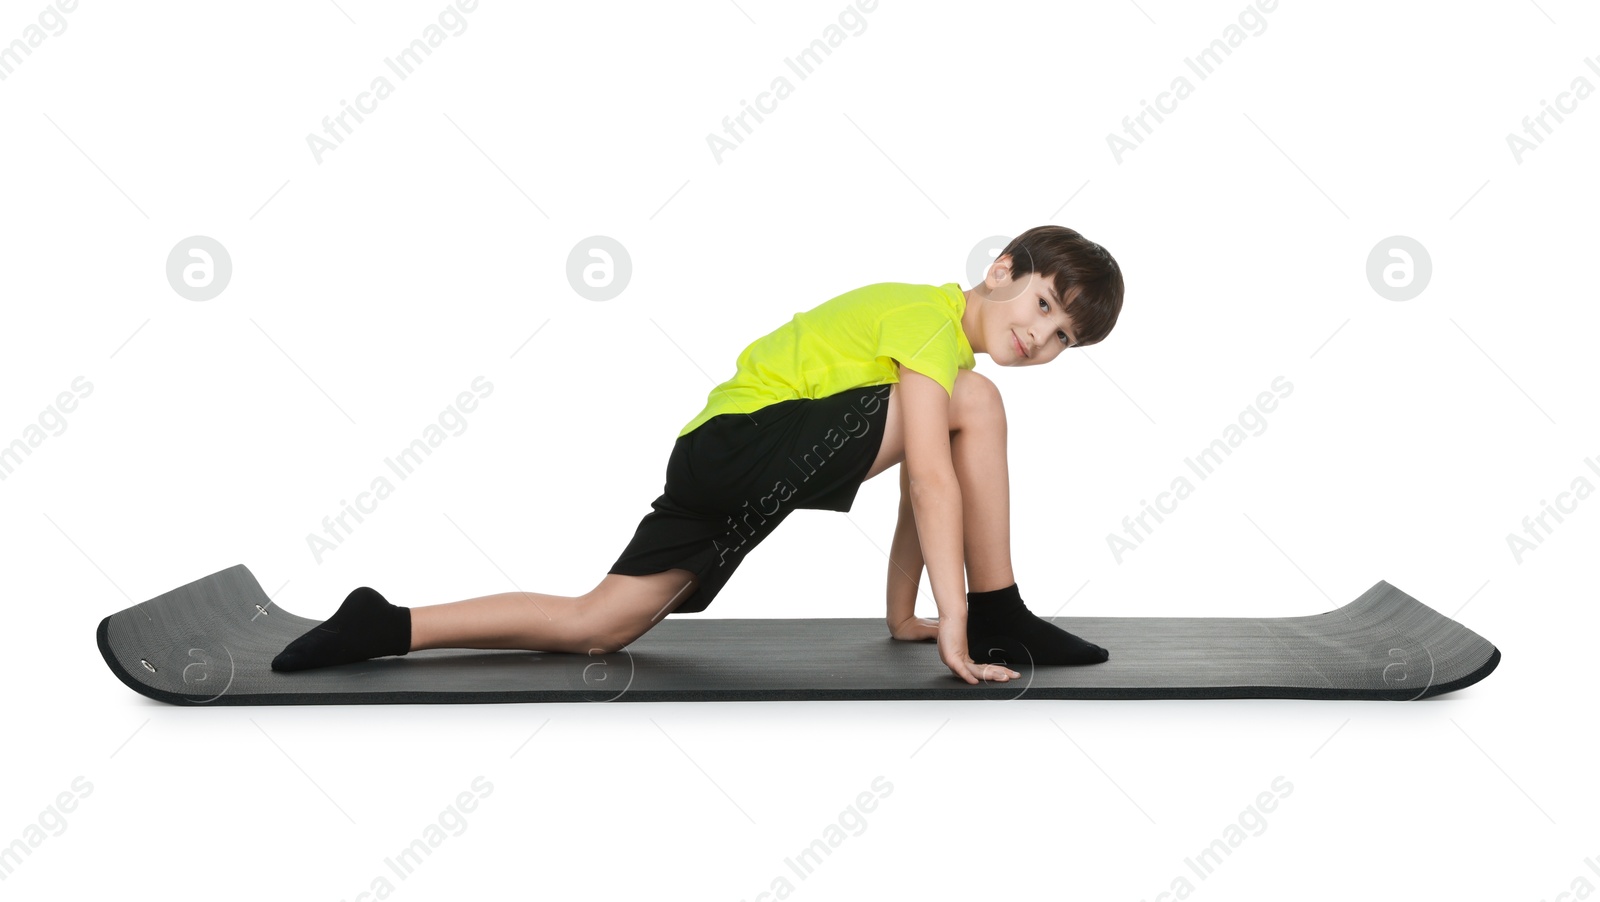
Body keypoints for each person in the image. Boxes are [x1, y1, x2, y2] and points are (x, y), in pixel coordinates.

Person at [271, 225, 1124, 684]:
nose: (1038, 335)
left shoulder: (936, 374)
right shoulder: (928, 320)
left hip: (720, 463)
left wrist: (906, 616)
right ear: (1001, 267)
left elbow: (923, 475)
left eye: (1060, 339)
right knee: (970, 404)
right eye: (1043, 302)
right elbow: (932, 478)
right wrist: (965, 621)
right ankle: (1003, 603)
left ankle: (387, 623)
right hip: (742, 445)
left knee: (598, 625)